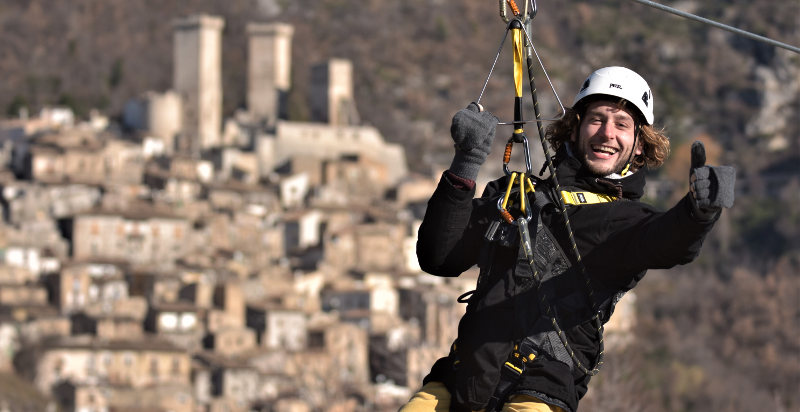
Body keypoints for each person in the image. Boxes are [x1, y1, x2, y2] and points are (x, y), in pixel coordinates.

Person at [401, 66, 736, 412]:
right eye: (597, 119)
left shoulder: (625, 222)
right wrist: (465, 163)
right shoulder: (516, 196)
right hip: (460, 379)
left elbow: (669, 241)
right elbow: (438, 256)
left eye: (621, 124)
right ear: (574, 128)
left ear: (639, 146)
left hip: (537, 394)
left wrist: (697, 214)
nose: (607, 133)